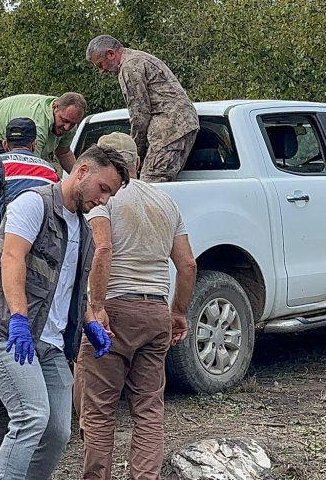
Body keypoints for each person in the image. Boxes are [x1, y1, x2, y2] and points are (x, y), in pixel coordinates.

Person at [0, 146, 129, 480]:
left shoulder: (82, 229)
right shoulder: (33, 204)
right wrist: (19, 319)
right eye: (104, 189)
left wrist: (90, 323)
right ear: (81, 171)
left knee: (56, 432)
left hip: (50, 344)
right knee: (31, 417)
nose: (104, 200)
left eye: (111, 194)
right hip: (7, 332)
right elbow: (12, 258)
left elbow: (71, 288)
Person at [74, 132, 198, 480]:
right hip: (155, 311)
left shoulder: (103, 198)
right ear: (137, 163)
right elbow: (187, 264)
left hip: (113, 311)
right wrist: (177, 312)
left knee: (99, 410)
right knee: (148, 409)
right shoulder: (165, 202)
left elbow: (103, 249)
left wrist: (96, 305)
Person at [86, 35, 199, 182]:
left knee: (150, 183)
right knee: (164, 183)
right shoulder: (139, 58)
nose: (102, 71)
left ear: (111, 53)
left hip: (167, 131)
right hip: (183, 125)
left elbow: (139, 114)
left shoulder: (129, 67)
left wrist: (135, 151)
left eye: (100, 65)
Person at [0, 117, 59, 239]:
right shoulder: (50, 170)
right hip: (43, 247)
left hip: (8, 242)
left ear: (5, 144)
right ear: (34, 144)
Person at [0, 93, 86, 173]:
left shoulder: (69, 123)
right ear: (55, 107)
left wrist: (80, 179)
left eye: (73, 124)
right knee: (5, 177)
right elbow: (31, 165)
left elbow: (64, 153)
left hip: (13, 143)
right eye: (64, 120)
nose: (67, 127)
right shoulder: (37, 124)